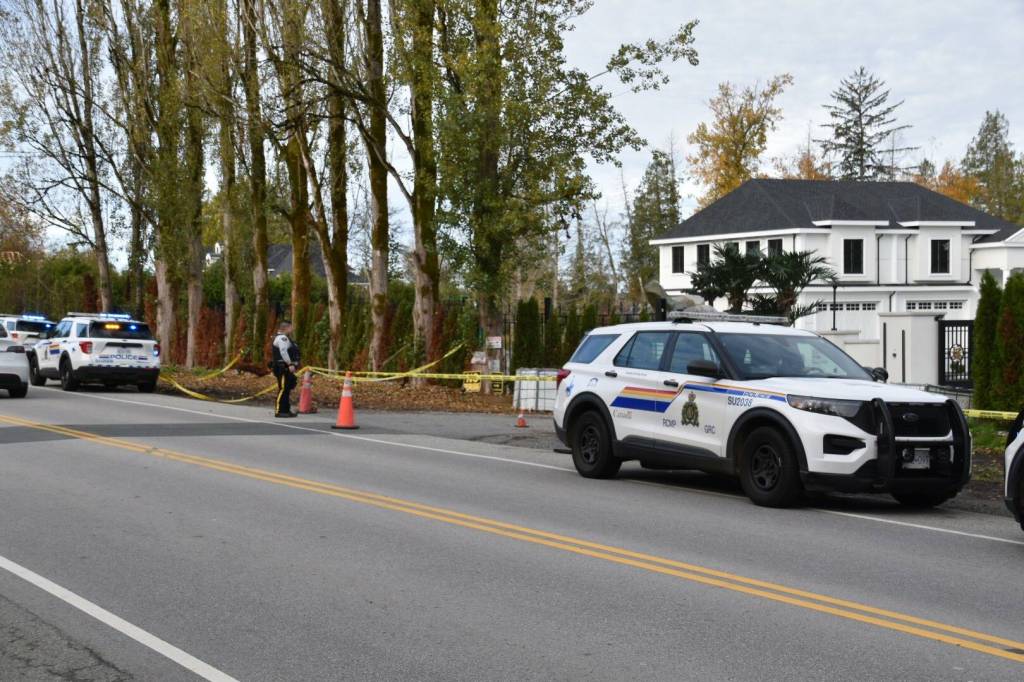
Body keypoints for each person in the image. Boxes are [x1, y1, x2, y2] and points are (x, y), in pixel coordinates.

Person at [272, 321, 301, 418]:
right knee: (283, 388)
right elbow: (283, 351)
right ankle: (279, 410)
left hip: (285, 367)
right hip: (283, 367)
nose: (292, 329)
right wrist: (290, 364)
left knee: (287, 388)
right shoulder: (282, 338)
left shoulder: (285, 338)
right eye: (291, 327)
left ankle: (285, 410)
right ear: (286, 328)